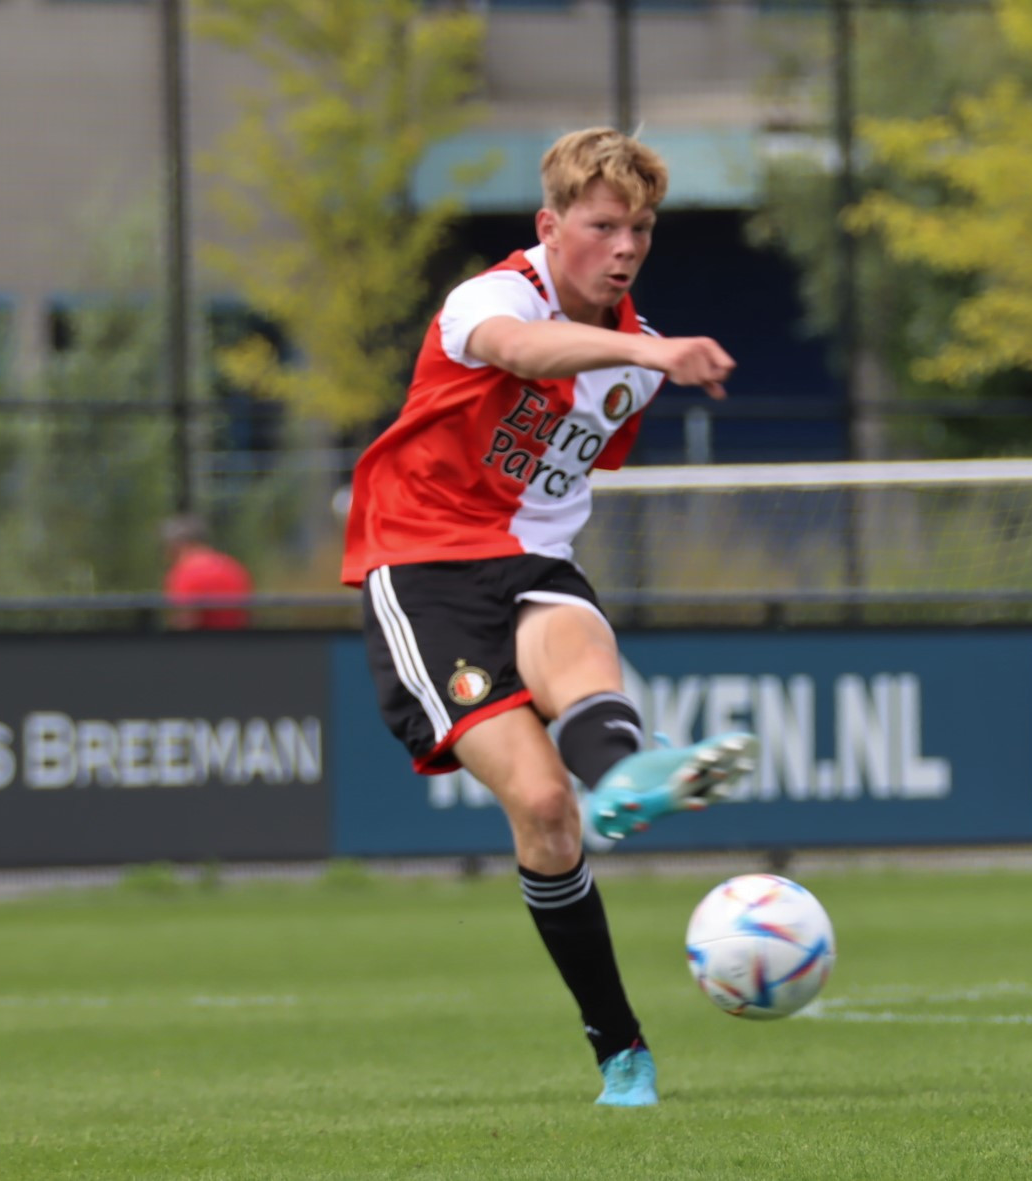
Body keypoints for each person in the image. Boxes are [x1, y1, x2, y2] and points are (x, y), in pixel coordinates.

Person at [340, 127, 758, 1108]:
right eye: (604, 226)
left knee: (575, 648)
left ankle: (628, 772)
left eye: (642, 229)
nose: (625, 247)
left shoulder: (633, 364)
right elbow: (521, 352)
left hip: (528, 556)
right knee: (540, 807)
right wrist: (643, 346)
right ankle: (620, 1046)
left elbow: (554, 479)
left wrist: (640, 354)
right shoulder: (492, 299)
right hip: (422, 568)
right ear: (550, 225)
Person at [161, 514, 254, 630]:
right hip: (239, 643)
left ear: (178, 545)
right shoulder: (233, 566)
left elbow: (186, 621)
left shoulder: (184, 572)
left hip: (203, 645)